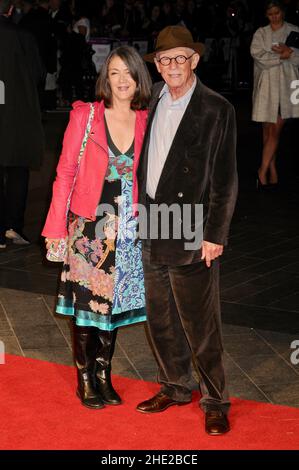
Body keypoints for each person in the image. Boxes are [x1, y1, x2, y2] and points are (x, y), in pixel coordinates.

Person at [135, 26, 238, 436]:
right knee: (160, 319)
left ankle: (215, 400)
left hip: (191, 229)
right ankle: (175, 386)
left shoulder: (216, 109)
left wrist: (215, 234)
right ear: (156, 66)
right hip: (152, 224)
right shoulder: (152, 100)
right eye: (164, 59)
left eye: (180, 58)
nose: (172, 66)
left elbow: (225, 180)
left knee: (201, 323)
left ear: (195, 60)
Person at [42, 46, 151, 409]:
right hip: (89, 226)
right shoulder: (86, 116)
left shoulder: (145, 120)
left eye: (129, 73)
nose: (122, 80)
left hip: (128, 227)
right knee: (88, 304)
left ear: (139, 80)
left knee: (114, 303)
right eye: (115, 72)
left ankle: (104, 373)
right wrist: (55, 228)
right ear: (106, 77)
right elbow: (65, 173)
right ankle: (85, 378)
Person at [0, 0, 45, 249]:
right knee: (17, 172)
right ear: (10, 10)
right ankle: (12, 226)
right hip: (17, 116)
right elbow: (38, 73)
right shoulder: (24, 37)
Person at [250, 0, 299, 188]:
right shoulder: (261, 33)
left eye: (277, 13)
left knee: (277, 129)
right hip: (267, 87)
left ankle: (261, 170)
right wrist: (280, 56)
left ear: (283, 12)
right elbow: (258, 56)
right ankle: (272, 169)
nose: (274, 17)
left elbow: (297, 58)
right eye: (270, 14)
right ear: (266, 15)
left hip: (288, 85)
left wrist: (290, 54)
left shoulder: (294, 30)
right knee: (268, 129)